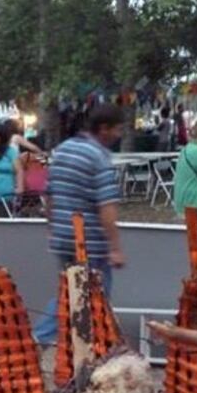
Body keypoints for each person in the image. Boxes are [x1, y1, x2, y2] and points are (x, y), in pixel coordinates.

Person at [32, 104, 125, 345]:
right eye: (117, 129)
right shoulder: (99, 158)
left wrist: (52, 227)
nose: (120, 135)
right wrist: (114, 247)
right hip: (89, 242)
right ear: (104, 129)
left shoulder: (63, 150)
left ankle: (79, 352)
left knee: (71, 292)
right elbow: (107, 206)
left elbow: (49, 194)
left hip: (63, 237)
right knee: (90, 298)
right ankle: (38, 340)